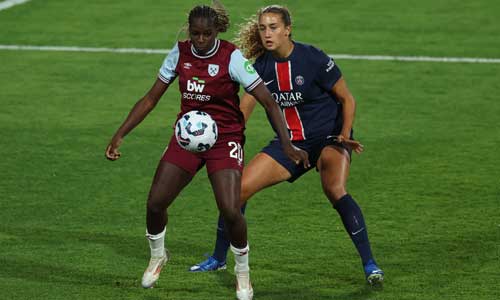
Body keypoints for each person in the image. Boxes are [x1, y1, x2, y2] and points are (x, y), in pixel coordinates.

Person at [104, 3, 309, 299]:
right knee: (155, 203)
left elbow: (268, 101)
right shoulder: (179, 53)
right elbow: (150, 98)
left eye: (207, 35)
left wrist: (287, 143)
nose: (200, 41)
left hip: (225, 139)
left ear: (217, 32)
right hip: (187, 138)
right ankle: (158, 255)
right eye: (196, 34)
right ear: (190, 31)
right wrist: (120, 133)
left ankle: (242, 274)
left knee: (230, 208)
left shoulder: (232, 57)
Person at [189, 5, 384, 285]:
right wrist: (222, 141)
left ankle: (370, 264)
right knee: (238, 190)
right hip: (290, 144)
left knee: (334, 189)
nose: (267, 33)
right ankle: (219, 258)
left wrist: (344, 134)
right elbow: (244, 110)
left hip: (330, 136)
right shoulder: (260, 67)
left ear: (288, 29)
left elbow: (347, 98)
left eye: (273, 27)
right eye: (262, 28)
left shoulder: (312, 58)